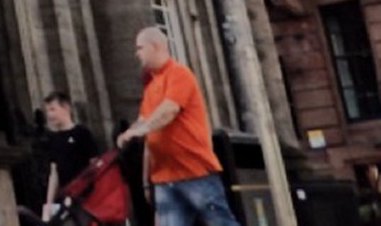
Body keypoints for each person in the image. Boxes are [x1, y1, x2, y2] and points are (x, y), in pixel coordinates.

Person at [115, 28, 237, 226]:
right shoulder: (151, 85)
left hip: (195, 171)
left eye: (140, 48)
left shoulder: (179, 73)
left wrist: (140, 130)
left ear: (155, 46)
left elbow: (169, 111)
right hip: (164, 176)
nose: (137, 53)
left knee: (221, 223)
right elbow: (145, 121)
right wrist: (131, 133)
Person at [22, 92, 102, 225]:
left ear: (65, 107)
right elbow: (54, 173)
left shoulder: (82, 133)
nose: (49, 115)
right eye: (47, 110)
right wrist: (48, 204)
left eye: (53, 109)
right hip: (65, 197)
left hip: (85, 198)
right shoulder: (53, 139)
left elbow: (95, 165)